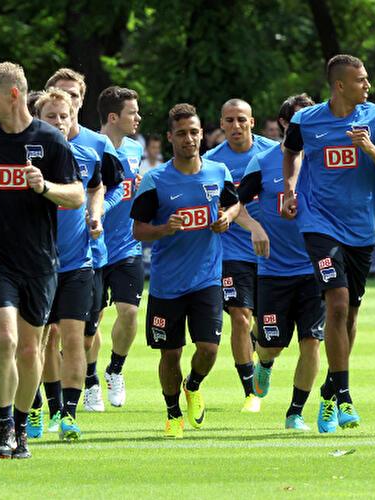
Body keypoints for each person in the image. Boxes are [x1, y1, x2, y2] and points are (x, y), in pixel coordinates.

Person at [0, 62, 83, 459]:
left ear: (12, 94)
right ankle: (3, 426)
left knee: (31, 350)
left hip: (40, 262)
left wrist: (44, 186)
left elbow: (77, 194)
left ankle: (23, 428)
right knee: (7, 338)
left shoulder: (49, 140)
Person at [281, 54, 375, 432]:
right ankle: (344, 397)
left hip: (361, 230)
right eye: (361, 80)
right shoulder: (306, 120)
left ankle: (329, 389)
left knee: (350, 316)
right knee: (337, 302)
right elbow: (291, 150)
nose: (368, 85)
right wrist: (291, 189)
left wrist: (370, 149)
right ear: (340, 85)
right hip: (318, 223)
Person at [130, 103, 240, 438]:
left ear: (201, 134)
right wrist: (164, 229)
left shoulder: (219, 172)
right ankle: (172, 411)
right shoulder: (156, 179)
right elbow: (138, 230)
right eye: (181, 134)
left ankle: (193, 385)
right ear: (170, 137)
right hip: (167, 283)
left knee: (208, 349)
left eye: (194, 132)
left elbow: (234, 203)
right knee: (171, 353)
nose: (189, 139)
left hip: (207, 277)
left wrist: (227, 219)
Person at [236, 93, 322, 431]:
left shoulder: (322, 159)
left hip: (314, 269)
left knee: (312, 341)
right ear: (286, 124)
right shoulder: (264, 161)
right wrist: (255, 226)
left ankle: (295, 413)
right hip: (273, 270)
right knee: (271, 347)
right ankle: (265, 362)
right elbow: (235, 204)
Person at [43, 68, 124, 415]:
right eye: (59, 95)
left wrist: (98, 212)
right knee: (51, 335)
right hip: (42, 258)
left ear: (81, 100)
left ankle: (90, 378)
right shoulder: (34, 144)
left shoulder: (96, 143)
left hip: (88, 251)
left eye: (73, 96)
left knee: (87, 334)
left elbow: (111, 185)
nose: (67, 102)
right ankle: (54, 404)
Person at [34, 88, 103, 440]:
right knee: (41, 340)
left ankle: (68, 415)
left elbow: (97, 187)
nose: (59, 122)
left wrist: (95, 216)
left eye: (65, 115)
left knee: (74, 339)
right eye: (51, 116)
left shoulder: (88, 154)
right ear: (38, 119)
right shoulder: (26, 157)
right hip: (36, 265)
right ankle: (40, 407)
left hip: (77, 262)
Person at [203, 99, 279, 413]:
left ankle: (263, 361)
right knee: (239, 316)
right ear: (221, 124)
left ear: (252, 121)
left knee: (267, 326)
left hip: (271, 251)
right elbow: (219, 205)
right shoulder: (211, 161)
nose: (236, 126)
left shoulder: (272, 153)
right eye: (229, 120)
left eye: (241, 120)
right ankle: (250, 393)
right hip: (231, 251)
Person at [97, 86, 145, 408]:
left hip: (128, 246)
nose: (138, 118)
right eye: (132, 112)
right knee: (90, 324)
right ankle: (88, 379)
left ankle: (115, 369)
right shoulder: (90, 147)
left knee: (129, 314)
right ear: (113, 117)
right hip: (94, 247)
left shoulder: (134, 149)